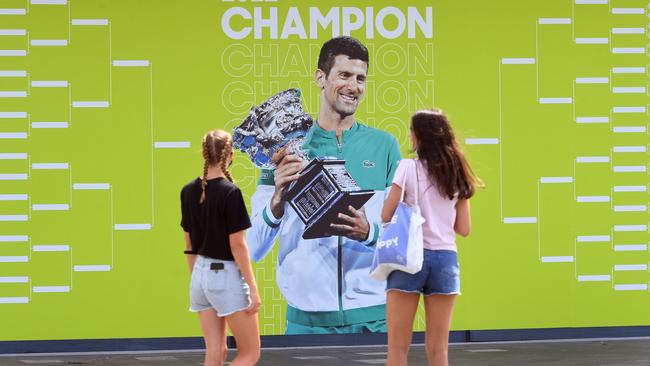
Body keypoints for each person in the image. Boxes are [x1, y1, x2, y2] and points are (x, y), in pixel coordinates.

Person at [247, 36, 402, 334]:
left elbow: (406, 239)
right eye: (344, 75)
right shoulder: (284, 150)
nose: (353, 86)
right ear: (320, 77)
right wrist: (276, 201)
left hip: (373, 319)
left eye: (360, 78)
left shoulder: (384, 147)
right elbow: (253, 247)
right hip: (306, 322)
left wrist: (369, 233)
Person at [381, 109, 481, 366]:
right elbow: (464, 228)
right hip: (446, 261)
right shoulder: (457, 174)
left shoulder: (407, 167)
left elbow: (385, 214)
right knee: (438, 350)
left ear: (416, 137)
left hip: (409, 257)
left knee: (398, 349)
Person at [181, 129, 261, 366]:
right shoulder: (231, 192)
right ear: (231, 155)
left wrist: (198, 277)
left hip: (199, 277)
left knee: (215, 352)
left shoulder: (188, 190)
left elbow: (189, 244)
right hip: (224, 276)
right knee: (249, 353)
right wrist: (253, 288)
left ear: (204, 154)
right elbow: (237, 245)